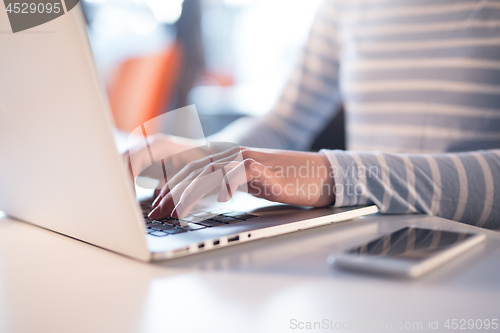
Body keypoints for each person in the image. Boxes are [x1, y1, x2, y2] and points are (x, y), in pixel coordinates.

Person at [130, 0, 500, 229]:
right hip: (371, 243)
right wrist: (206, 156)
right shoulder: (344, 5)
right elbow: (284, 123)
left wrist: (335, 176)